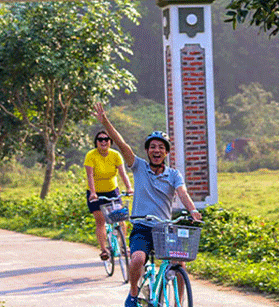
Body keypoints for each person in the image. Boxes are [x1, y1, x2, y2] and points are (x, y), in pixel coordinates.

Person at [93, 103, 201, 307]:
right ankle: (133, 295)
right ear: (147, 150)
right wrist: (105, 122)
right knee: (137, 260)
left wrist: (193, 210)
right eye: (153, 147)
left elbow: (183, 193)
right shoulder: (139, 167)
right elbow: (122, 144)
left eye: (161, 147)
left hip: (165, 230)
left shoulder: (174, 174)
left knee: (179, 263)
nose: (156, 150)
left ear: (166, 152)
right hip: (142, 228)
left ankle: (179, 302)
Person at [85, 130, 133, 261]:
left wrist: (129, 187)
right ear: (96, 142)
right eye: (100, 139)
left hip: (112, 190)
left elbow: (123, 173)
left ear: (110, 142)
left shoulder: (115, 155)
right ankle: (104, 249)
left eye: (106, 139)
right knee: (100, 221)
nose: (103, 141)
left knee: (120, 218)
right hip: (95, 192)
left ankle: (124, 246)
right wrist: (93, 193)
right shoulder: (91, 155)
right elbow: (90, 176)